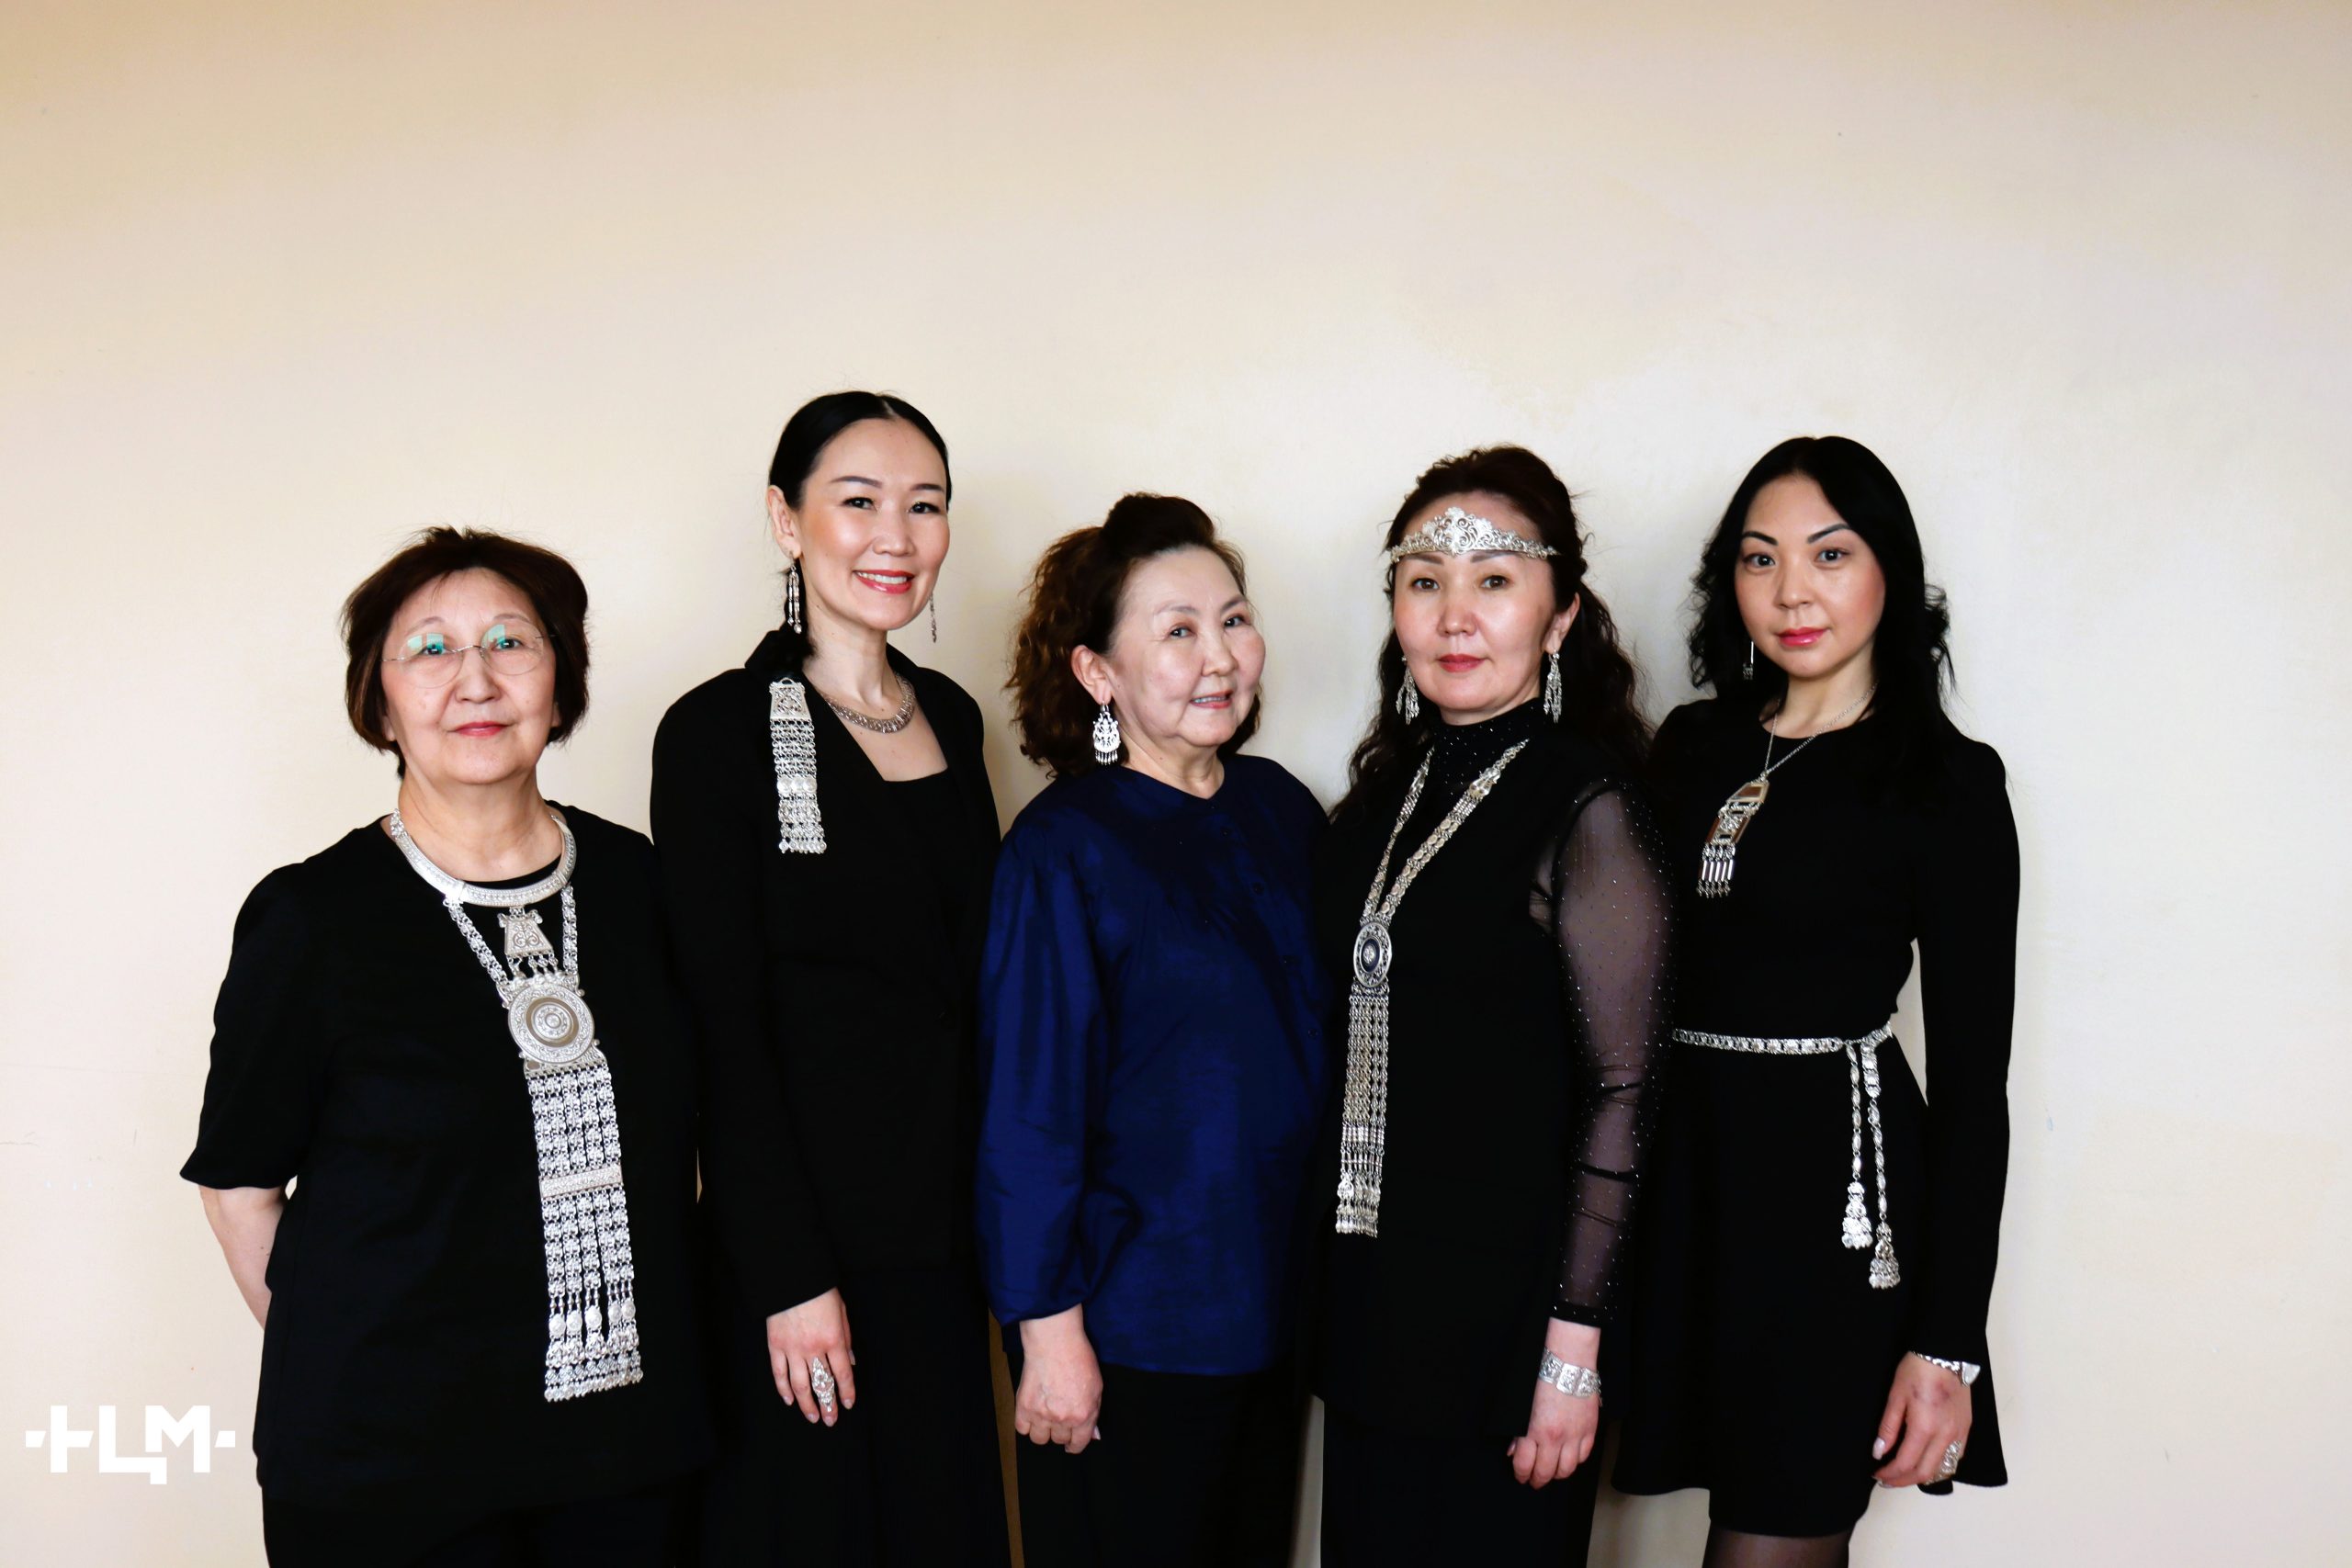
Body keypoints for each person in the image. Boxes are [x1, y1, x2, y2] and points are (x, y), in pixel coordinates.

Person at [185, 528, 709, 1567]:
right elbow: (240, 1187)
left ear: (560, 684)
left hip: (626, 1456)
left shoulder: (641, 883)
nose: (475, 678)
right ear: (380, 704)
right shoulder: (312, 918)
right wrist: (357, 1366)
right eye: (429, 649)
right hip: (390, 1472)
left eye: (512, 642)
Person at [1613, 435, 2019, 1568]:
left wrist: (1947, 1344)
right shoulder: (1693, 745)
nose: (1790, 591)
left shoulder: (1946, 783)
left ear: (1891, 569)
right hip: (1681, 1191)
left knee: (1773, 1538)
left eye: (1828, 555)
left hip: (1833, 1218)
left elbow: (1974, 1089)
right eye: (1759, 559)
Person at [650, 390, 1008, 1567]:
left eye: (925, 505)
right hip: (805, 1254)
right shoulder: (715, 733)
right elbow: (722, 1027)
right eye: (858, 501)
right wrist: (790, 1276)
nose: (894, 536)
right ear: (785, 519)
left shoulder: (951, 715)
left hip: (948, 1239)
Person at [1307, 446, 1673, 1566]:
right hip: (1369, 1304)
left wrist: (1572, 1351)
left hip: (1510, 1326)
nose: (1453, 616)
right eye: (1424, 582)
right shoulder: (1381, 792)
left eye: (1494, 582)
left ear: (1559, 619)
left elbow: (1624, 1088)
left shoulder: (1588, 805)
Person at [977, 493, 1331, 1568]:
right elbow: (1028, 1114)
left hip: (1276, 1306)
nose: (1218, 656)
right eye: (1177, 631)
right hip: (1131, 1323)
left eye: (1232, 620)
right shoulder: (1062, 848)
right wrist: (1048, 1337)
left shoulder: (1281, 809)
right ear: (1098, 672)